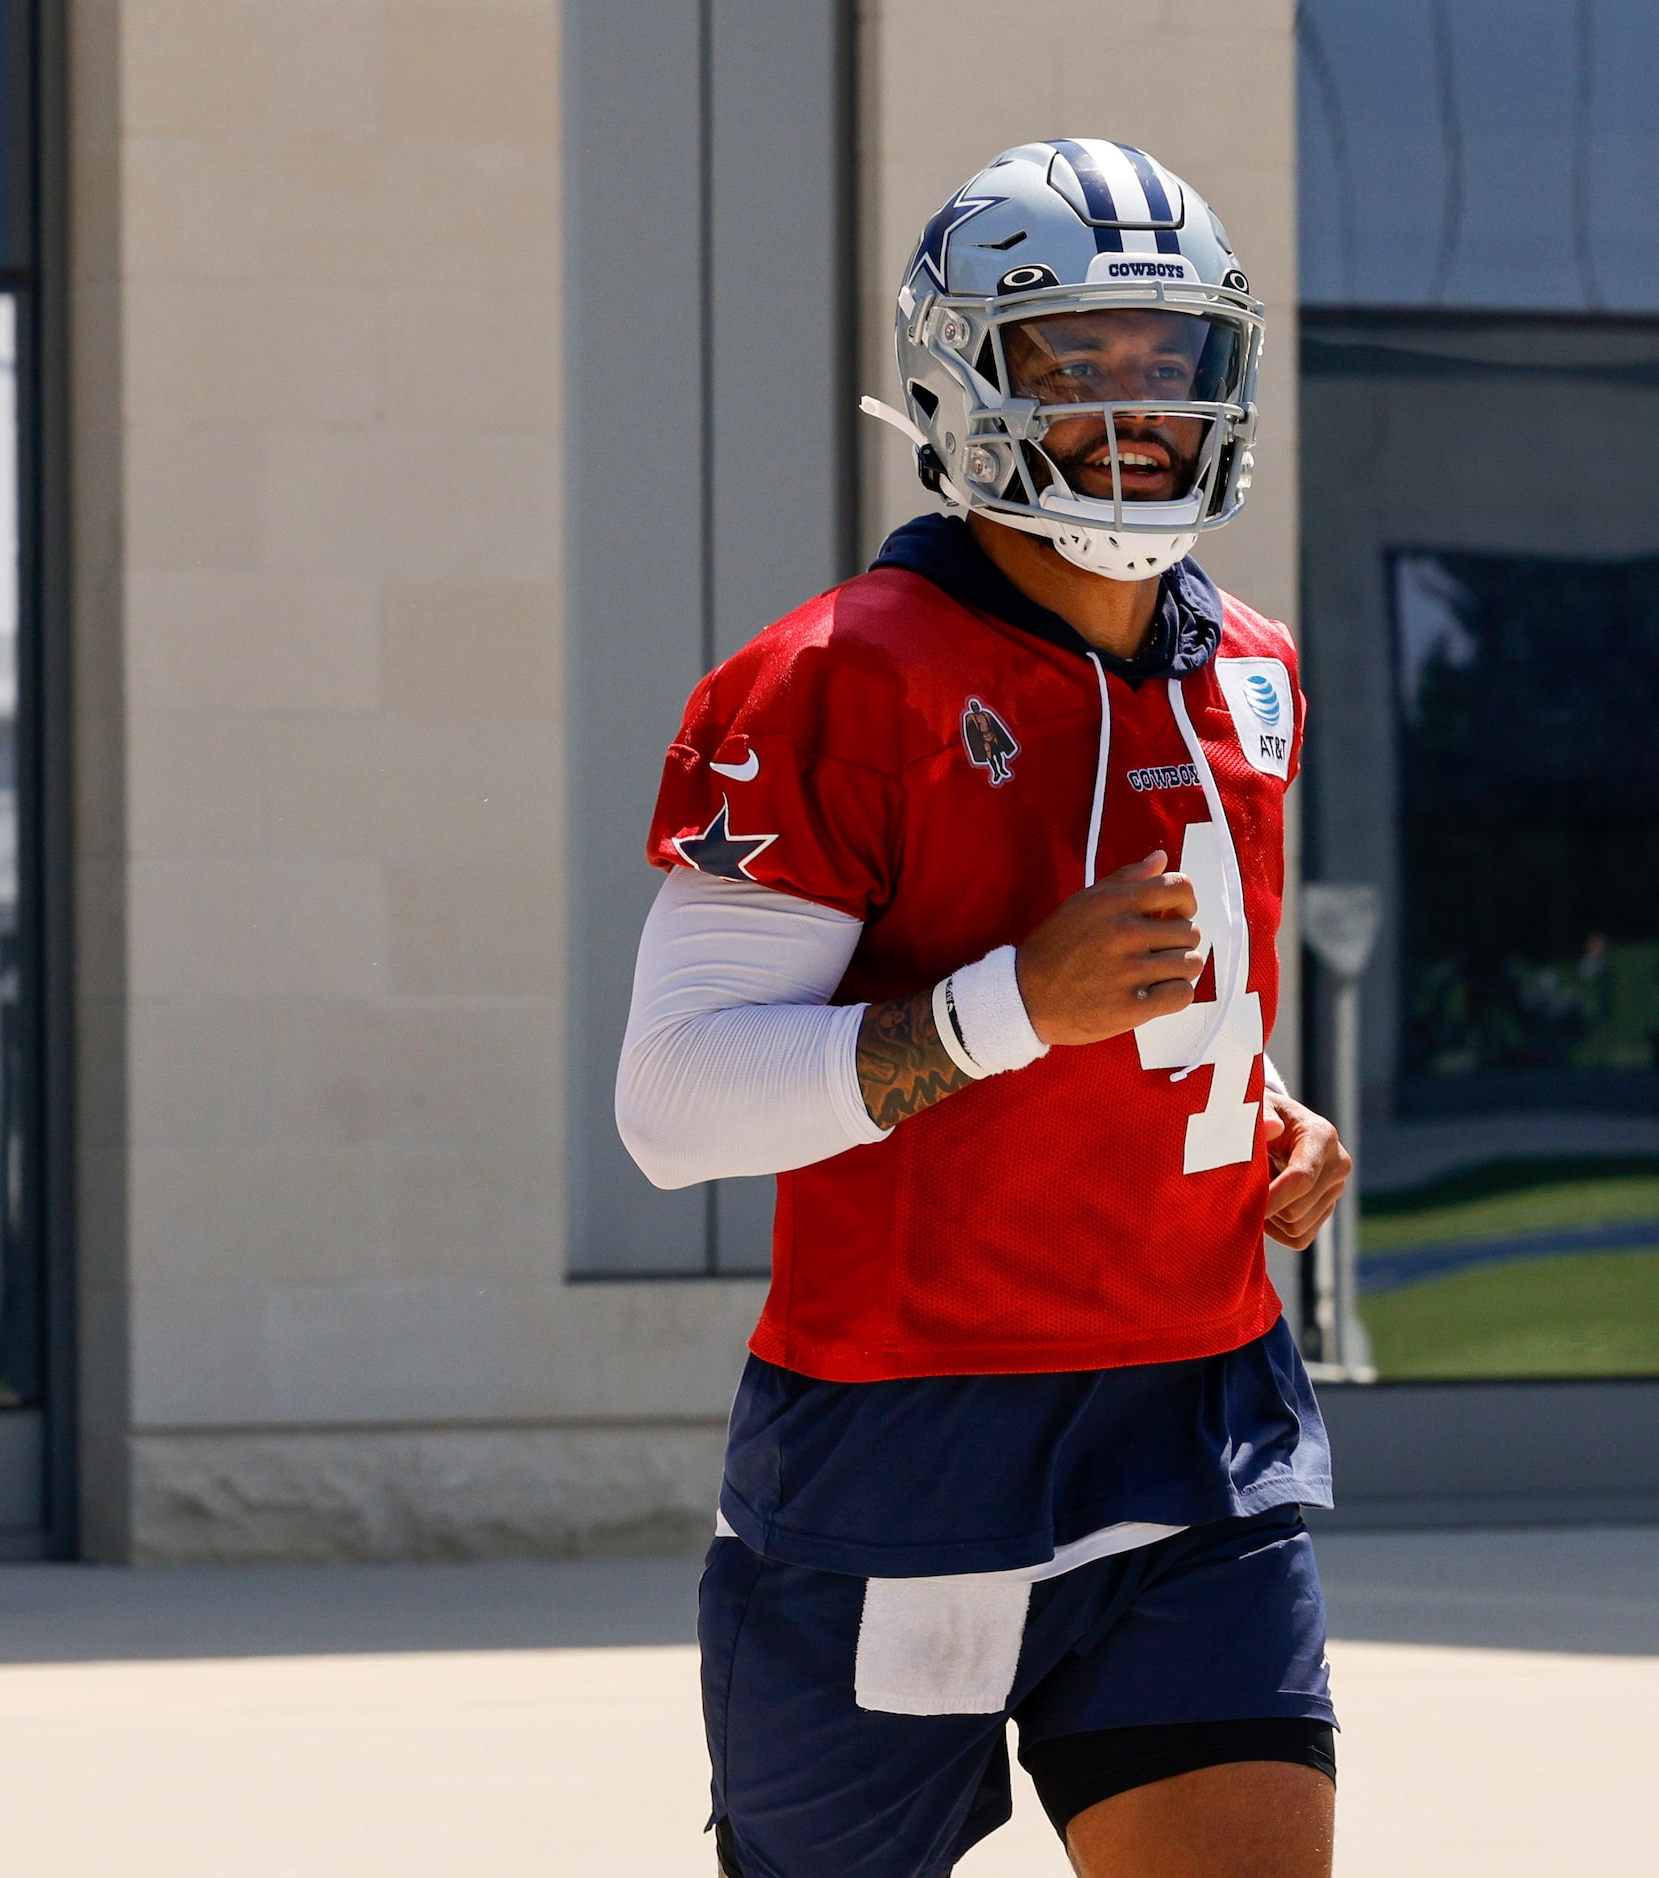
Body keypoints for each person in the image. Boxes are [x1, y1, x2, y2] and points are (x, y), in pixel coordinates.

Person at [616, 139, 1350, 1878]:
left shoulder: (1254, 660)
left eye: (1164, 359)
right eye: (1074, 360)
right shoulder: (836, 674)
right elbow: (673, 1102)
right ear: (962, 378)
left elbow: (1164, 1005)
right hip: (906, 1433)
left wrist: (1263, 1117)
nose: (1133, 410)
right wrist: (1005, 1009)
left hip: (1202, 1409)